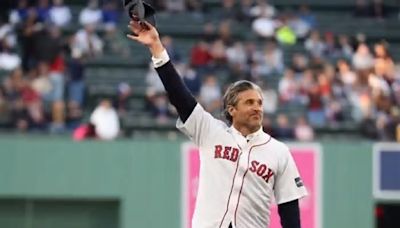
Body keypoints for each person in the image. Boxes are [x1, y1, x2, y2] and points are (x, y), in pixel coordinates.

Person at [127, 19, 307, 228]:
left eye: (259, 103)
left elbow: (290, 213)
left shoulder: (279, 152)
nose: (257, 107)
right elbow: (179, 96)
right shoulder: (211, 132)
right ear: (232, 109)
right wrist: (157, 48)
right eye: (249, 102)